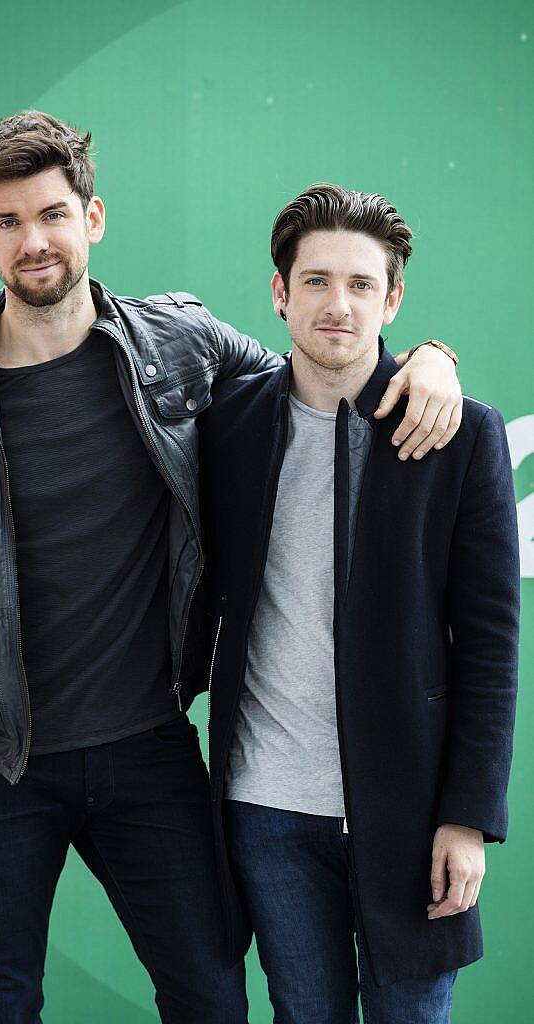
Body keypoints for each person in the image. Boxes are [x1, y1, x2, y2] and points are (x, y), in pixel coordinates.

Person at [0, 113, 462, 1024]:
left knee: (213, 996)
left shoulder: (179, 345)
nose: (35, 241)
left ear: (93, 218)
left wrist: (431, 359)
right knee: (0, 998)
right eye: (8, 223)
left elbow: (318, 383)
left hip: (149, 747)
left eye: (53, 214)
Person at [199, 183, 520, 1024]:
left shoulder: (458, 432)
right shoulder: (227, 422)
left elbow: (490, 643)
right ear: (279, 292)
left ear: (394, 298)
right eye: (314, 281)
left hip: (410, 813)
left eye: (361, 285)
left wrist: (468, 819)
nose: (336, 306)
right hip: (266, 808)